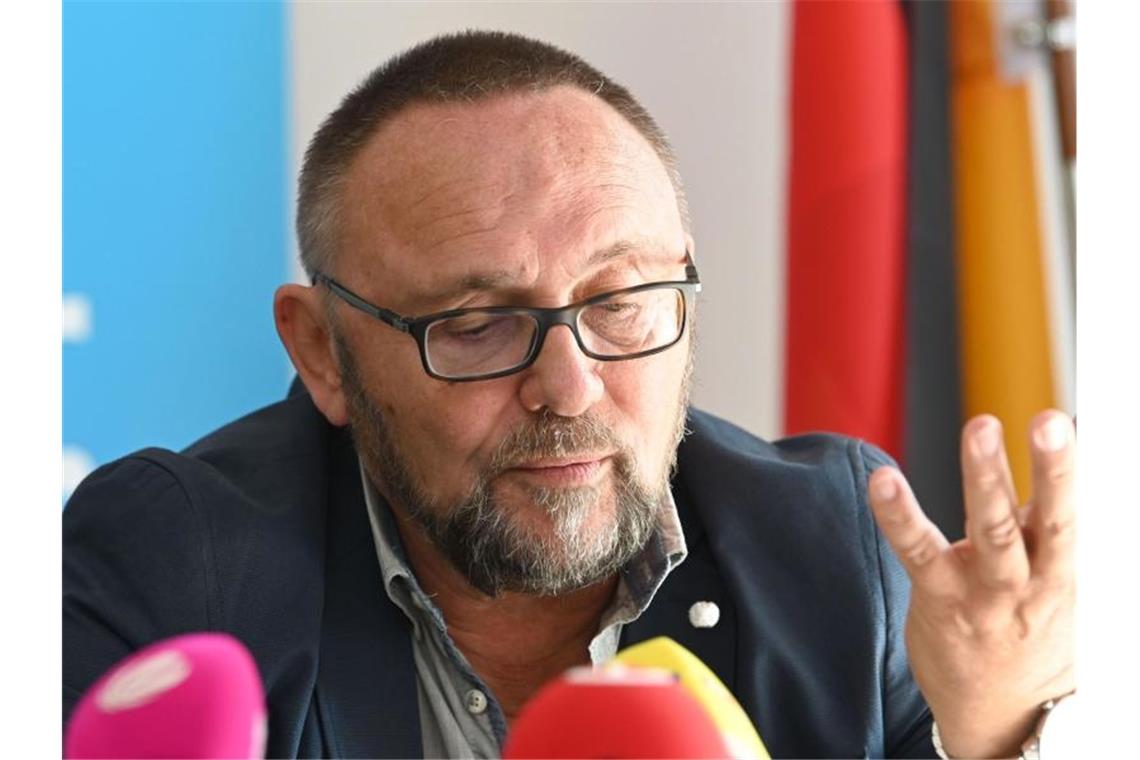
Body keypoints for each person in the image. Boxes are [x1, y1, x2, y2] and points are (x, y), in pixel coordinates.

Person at [63, 31, 1074, 759]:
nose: (570, 384)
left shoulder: (830, 551)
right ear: (323, 352)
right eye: (475, 323)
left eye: (625, 301)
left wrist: (990, 730)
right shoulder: (169, 572)